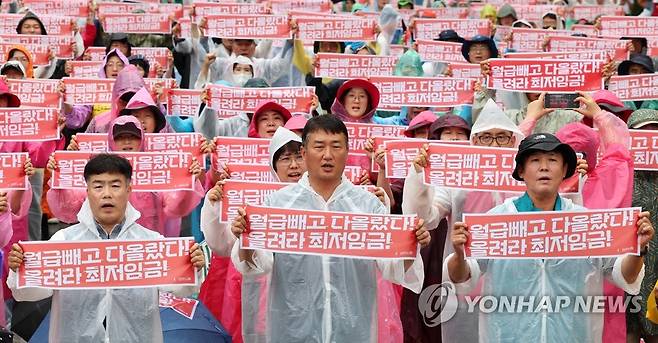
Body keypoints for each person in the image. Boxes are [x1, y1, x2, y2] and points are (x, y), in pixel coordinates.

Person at [230, 115, 429, 342]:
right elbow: (257, 265)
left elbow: (393, 268)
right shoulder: (277, 205)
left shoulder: (367, 205)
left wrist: (410, 245)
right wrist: (245, 238)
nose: (327, 155)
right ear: (305, 153)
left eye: (336, 146)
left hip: (354, 329)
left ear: (346, 152)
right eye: (319, 147)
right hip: (293, 329)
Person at [446, 133, 653, 342]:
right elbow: (462, 277)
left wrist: (639, 248)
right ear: (521, 171)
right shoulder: (497, 221)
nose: (544, 167)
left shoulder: (585, 223)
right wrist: (459, 253)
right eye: (535, 160)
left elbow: (624, 275)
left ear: (564, 170)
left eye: (552, 160)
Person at [8, 154, 205, 342]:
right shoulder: (64, 241)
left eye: (116, 185)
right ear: (87, 191)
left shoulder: (150, 242)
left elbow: (183, 289)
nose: (107, 194)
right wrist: (20, 269)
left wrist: (192, 266)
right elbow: (27, 293)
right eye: (98, 186)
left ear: (129, 190)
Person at [402, 99, 524, 342]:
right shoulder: (455, 180)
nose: (494, 144)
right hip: (466, 275)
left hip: (516, 276)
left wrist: (574, 178)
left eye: (502, 137)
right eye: (486, 137)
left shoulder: (525, 176)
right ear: (475, 141)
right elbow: (428, 217)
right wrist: (419, 176)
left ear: (513, 141)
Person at [47, 116, 205, 237]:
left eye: (133, 136)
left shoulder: (158, 173)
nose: (127, 141)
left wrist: (188, 179)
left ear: (142, 139)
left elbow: (176, 206)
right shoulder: (97, 172)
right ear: (111, 140)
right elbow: (69, 207)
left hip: (145, 246)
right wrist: (61, 178)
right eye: (120, 137)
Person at [625, 109, 658, 342]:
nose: (649, 140)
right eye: (642, 134)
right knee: (629, 325)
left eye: (654, 134)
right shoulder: (620, 174)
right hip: (632, 260)